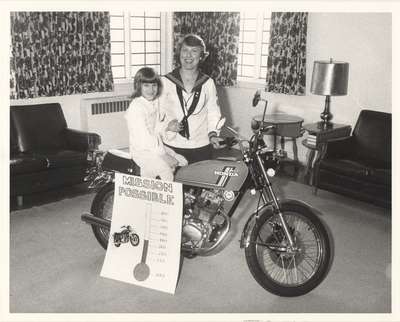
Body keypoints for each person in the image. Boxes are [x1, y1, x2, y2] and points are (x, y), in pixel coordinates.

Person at [159, 34, 226, 164]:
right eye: (185, 50)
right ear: (179, 54)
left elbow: (213, 112)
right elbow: (155, 115)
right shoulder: (165, 81)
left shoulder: (208, 82)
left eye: (194, 51)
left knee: (199, 183)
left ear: (201, 56)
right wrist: (167, 126)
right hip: (172, 145)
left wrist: (213, 134)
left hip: (200, 146)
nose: (188, 56)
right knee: (173, 183)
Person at [125, 67, 187, 181]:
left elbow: (157, 127)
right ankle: (165, 196)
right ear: (139, 86)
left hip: (155, 147)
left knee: (182, 161)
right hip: (142, 151)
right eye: (146, 86)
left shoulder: (153, 102)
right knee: (166, 170)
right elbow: (144, 137)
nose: (151, 89)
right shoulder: (136, 107)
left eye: (154, 85)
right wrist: (163, 155)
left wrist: (168, 128)